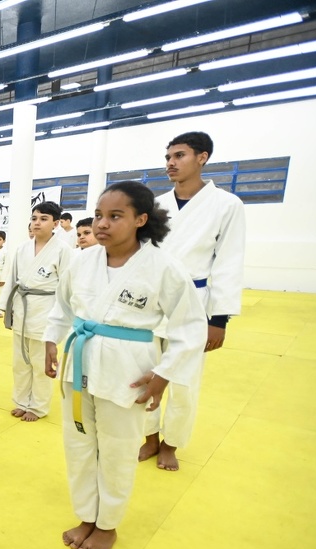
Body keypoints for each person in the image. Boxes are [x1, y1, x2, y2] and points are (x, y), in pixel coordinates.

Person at [43, 181, 206, 549]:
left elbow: (189, 327)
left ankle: (107, 525)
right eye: (99, 215)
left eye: (115, 216)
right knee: (79, 444)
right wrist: (52, 340)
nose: (102, 223)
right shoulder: (82, 261)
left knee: (117, 451)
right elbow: (63, 307)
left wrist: (164, 374)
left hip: (129, 370)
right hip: (80, 362)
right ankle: (86, 515)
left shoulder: (163, 268)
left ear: (140, 220)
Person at [140, 131, 246, 471]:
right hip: (151, 301)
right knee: (145, 373)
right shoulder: (156, 205)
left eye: (180, 155)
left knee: (184, 382)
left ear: (203, 157)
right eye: (168, 157)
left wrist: (220, 319)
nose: (171, 163)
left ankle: (171, 443)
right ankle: (150, 437)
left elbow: (230, 261)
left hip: (194, 302)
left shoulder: (227, 205)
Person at [0, 201, 73, 422]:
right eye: (34, 218)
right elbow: (13, 279)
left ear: (56, 223)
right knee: (20, 362)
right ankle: (21, 401)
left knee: (41, 363)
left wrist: (63, 318)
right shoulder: (22, 248)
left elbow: (67, 287)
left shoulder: (63, 250)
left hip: (46, 311)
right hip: (22, 308)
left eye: (43, 219)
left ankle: (38, 407)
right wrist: (5, 307)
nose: (37, 223)